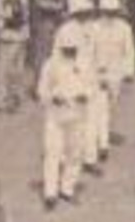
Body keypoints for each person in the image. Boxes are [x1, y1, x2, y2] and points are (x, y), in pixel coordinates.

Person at [37, 22, 93, 210]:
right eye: (66, 49)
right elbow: (42, 90)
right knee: (52, 151)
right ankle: (50, 192)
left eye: (72, 49)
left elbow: (92, 87)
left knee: (75, 153)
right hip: (56, 115)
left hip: (78, 114)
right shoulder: (51, 65)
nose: (70, 52)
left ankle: (67, 188)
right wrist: (53, 97)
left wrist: (85, 94)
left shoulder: (85, 64)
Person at [88, 0, 135, 165]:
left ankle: (101, 137)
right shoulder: (93, 28)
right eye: (105, 12)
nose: (108, 16)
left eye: (111, 12)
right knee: (97, 108)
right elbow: (88, 52)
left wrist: (129, 71)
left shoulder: (124, 28)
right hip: (96, 73)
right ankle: (100, 144)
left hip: (115, 74)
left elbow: (129, 51)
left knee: (109, 107)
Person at [0, 0, 29, 113]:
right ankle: (1, 101)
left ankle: (15, 98)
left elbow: (25, 12)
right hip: (7, 33)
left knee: (17, 70)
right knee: (4, 69)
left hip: (20, 34)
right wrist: (7, 16)